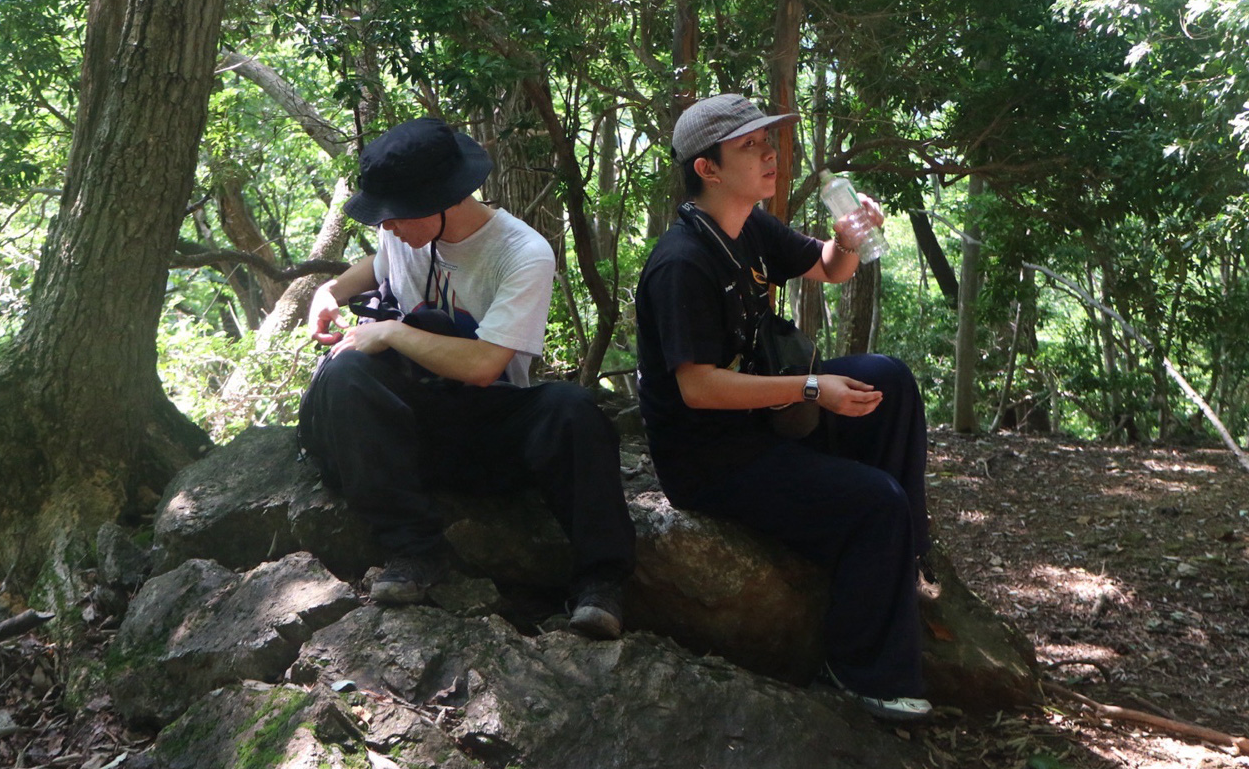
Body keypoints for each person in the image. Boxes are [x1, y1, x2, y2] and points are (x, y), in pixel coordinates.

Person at [634, 94, 933, 720]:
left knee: (889, 380)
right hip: (712, 459)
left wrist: (846, 239)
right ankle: (864, 672)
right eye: (749, 146)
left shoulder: (749, 226)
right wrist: (811, 388)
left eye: (767, 141)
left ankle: (899, 560)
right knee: (876, 501)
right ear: (707, 169)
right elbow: (698, 388)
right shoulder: (681, 262)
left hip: (766, 418)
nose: (769, 154)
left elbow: (830, 269)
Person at [297, 116, 636, 639]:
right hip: (406, 430)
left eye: (395, 216)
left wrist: (391, 332)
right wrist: (330, 292)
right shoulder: (404, 235)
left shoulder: (522, 253)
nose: (387, 227)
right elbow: (379, 262)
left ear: (442, 201)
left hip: (487, 431)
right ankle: (414, 553)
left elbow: (484, 366)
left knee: (572, 409)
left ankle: (601, 581)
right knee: (346, 373)